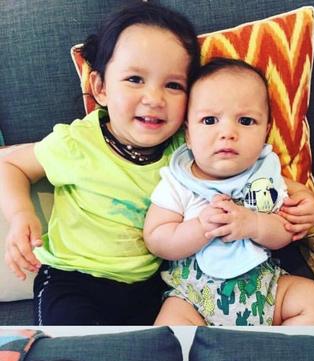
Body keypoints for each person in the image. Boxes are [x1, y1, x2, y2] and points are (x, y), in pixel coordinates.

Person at [0, 4, 200, 325]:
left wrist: (289, 192)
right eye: (135, 79)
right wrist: (21, 215)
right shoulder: (78, 143)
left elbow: (236, 172)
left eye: (173, 85)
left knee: (162, 350)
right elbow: (11, 166)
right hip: (73, 278)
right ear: (100, 88)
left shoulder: (186, 149)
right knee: (73, 352)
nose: (154, 97)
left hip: (149, 283)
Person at [144, 58, 314, 326]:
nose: (228, 132)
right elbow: (156, 237)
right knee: (171, 326)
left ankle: (274, 351)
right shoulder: (179, 182)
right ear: (188, 134)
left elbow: (283, 232)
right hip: (194, 300)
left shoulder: (264, 176)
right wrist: (200, 227)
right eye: (209, 120)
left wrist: (253, 224)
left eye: (246, 120)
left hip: (264, 290)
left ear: (266, 131)